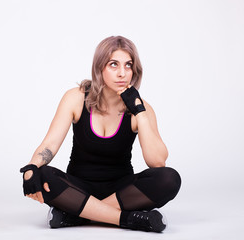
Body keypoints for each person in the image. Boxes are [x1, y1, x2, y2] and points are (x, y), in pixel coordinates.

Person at [19, 36, 181, 233]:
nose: (122, 73)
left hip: (121, 191)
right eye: (114, 64)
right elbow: (50, 144)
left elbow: (157, 163)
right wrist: (31, 167)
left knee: (169, 178)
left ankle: (77, 214)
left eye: (128, 65)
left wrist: (140, 113)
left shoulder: (141, 109)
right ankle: (127, 219)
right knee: (44, 174)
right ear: (99, 68)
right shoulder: (76, 97)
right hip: (79, 187)